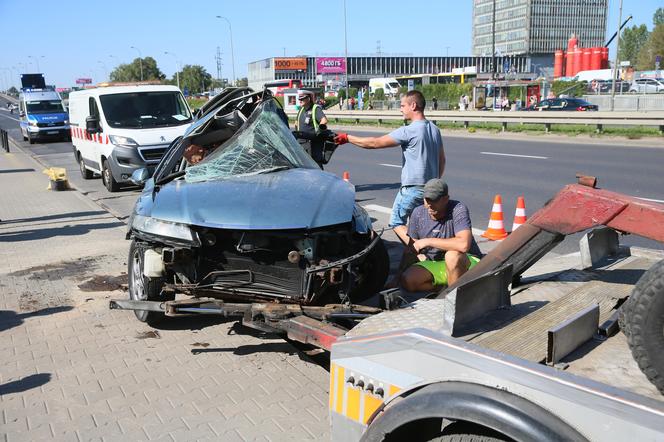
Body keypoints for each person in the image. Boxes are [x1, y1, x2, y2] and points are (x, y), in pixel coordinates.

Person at [334, 90, 445, 246]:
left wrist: (347, 137)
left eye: (402, 105)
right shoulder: (434, 129)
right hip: (431, 188)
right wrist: (433, 183)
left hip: (412, 189)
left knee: (396, 222)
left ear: (413, 106)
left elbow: (374, 143)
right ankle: (413, 260)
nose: (400, 109)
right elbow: (442, 160)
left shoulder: (409, 130)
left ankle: (421, 252)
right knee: (418, 227)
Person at [395, 178, 482, 292]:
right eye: (427, 200)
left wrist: (428, 241)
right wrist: (397, 279)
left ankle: (454, 298)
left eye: (434, 200)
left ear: (446, 199)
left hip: (466, 262)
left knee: (452, 256)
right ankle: (445, 290)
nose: (429, 204)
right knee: (408, 280)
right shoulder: (418, 213)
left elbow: (463, 245)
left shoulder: (458, 209)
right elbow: (411, 250)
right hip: (437, 263)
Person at [294, 90, 328, 168]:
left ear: (308, 99)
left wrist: (319, 130)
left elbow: (324, 120)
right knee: (303, 166)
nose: (300, 101)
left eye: (302, 99)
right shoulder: (301, 109)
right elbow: (296, 123)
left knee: (315, 165)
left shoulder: (315, 109)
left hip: (312, 143)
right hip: (301, 143)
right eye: (299, 99)